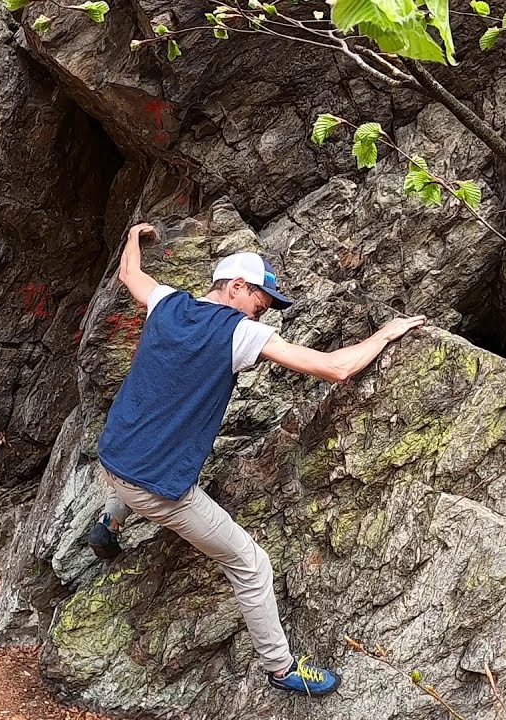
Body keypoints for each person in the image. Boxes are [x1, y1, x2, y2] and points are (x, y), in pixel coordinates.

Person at [88, 222, 425, 696]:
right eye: (260, 304)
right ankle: (281, 668)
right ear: (236, 287)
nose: (261, 314)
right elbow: (335, 368)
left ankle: (109, 522)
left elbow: (130, 274)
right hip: (154, 488)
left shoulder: (168, 302)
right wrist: (385, 335)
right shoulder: (239, 332)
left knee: (150, 453)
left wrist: (132, 237)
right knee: (251, 564)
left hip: (112, 455)